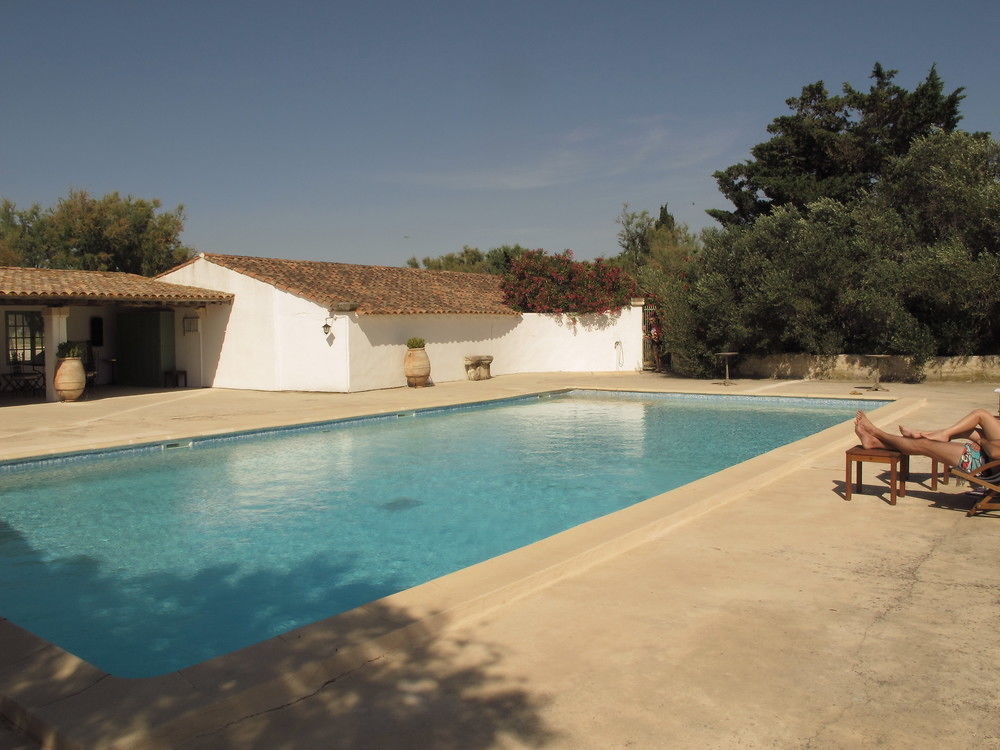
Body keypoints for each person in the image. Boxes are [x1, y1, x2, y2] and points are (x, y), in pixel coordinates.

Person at [854, 409, 999, 475]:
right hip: (988, 456)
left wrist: (981, 440)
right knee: (979, 417)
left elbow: (994, 452)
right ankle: (875, 442)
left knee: (923, 445)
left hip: (986, 463)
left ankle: (877, 433)